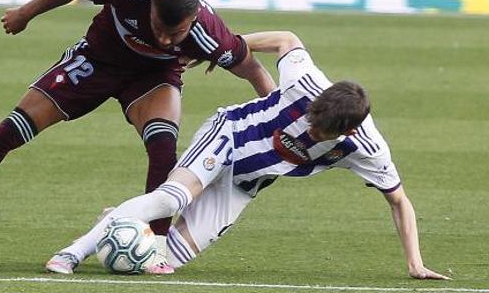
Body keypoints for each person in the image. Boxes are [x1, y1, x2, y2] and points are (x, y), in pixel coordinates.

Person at [0, 0, 276, 274]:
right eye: (158, 25)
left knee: (163, 147)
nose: (163, 38)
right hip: (96, 60)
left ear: (192, 19)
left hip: (152, 80)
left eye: (173, 33)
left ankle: (157, 247)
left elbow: (254, 70)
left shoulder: (212, 36)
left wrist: (276, 117)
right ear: (153, 5)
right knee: (15, 127)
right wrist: (25, 13)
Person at [45, 30, 450, 280]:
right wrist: (221, 50)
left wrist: (414, 262)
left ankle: (117, 220)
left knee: (167, 259)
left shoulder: (367, 148)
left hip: (245, 184)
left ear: (348, 131)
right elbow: (287, 39)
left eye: (319, 130)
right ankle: (74, 251)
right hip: (230, 136)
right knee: (172, 198)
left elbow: (399, 200)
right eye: (311, 118)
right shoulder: (308, 81)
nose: (310, 129)